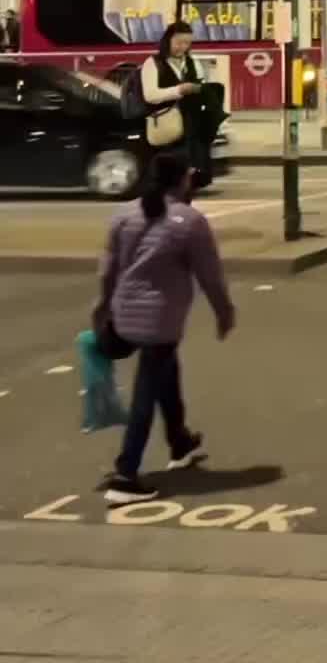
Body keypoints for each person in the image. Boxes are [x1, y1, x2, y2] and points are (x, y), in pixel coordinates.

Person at [96, 150, 235, 504]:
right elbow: (210, 277)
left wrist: (102, 309)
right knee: (148, 389)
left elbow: (107, 269)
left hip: (123, 314)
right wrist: (224, 311)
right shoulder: (189, 221)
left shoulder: (125, 214)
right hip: (160, 321)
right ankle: (126, 473)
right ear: (180, 180)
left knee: (165, 374)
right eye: (188, 176)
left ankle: (180, 442)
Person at [140, 23, 216, 185]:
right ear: (168, 40)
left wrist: (200, 90)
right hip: (168, 129)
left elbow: (201, 87)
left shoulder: (192, 62)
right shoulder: (153, 63)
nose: (183, 47)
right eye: (179, 42)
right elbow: (150, 95)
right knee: (168, 179)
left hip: (191, 129)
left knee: (188, 179)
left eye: (187, 43)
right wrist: (179, 90)